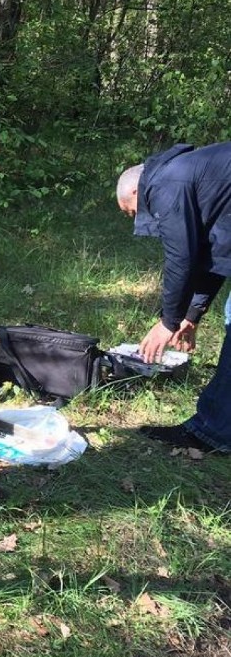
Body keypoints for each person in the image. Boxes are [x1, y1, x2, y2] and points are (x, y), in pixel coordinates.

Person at [116, 140, 231, 454]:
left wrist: (167, 322)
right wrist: (191, 316)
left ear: (135, 192)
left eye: (130, 213)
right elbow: (216, 253)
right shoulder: (187, 174)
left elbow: (182, 258)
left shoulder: (166, 184)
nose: (136, 218)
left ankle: (211, 433)